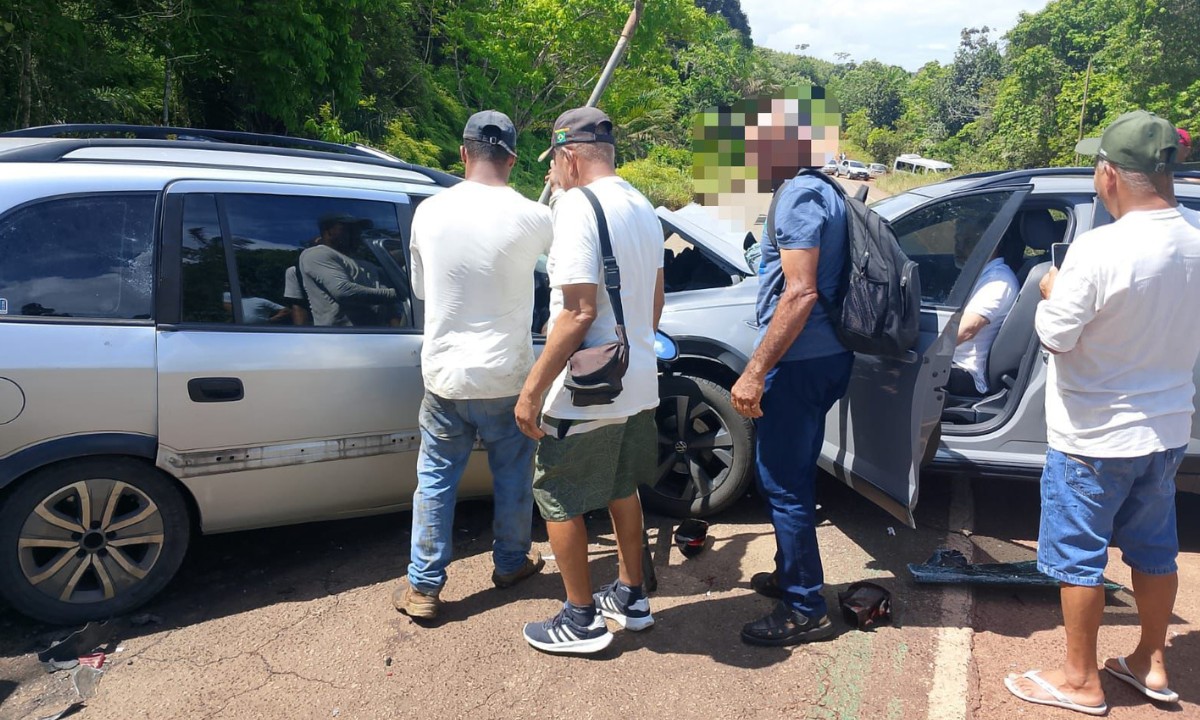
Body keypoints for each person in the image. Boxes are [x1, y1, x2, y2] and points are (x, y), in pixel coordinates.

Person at [1004, 110, 1200, 714]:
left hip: (1093, 437)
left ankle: (1080, 681)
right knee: (1155, 549)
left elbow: (1056, 337)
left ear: (1110, 174)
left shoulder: (1098, 248)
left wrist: (1049, 292)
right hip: (1167, 431)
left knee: (1078, 559)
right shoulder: (1196, 240)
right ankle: (1150, 662)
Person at [514, 107, 665, 654]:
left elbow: (578, 313)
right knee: (622, 487)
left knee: (557, 494)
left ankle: (581, 621)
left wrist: (532, 391)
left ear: (570, 156)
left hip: (589, 388)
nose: (552, 173)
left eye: (554, 162)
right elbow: (655, 303)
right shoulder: (643, 206)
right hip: (638, 380)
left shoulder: (577, 206)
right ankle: (631, 597)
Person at [393, 111, 553, 620]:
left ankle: (423, 587)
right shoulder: (536, 216)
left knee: (436, 480)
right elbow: (563, 275)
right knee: (513, 477)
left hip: (445, 378)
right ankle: (511, 563)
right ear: (513, 158)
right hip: (508, 378)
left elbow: (421, 289)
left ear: (463, 153)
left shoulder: (428, 212)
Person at [731, 164, 851, 646]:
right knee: (788, 475)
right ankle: (789, 575)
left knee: (783, 484)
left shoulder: (798, 195)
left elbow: (800, 291)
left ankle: (804, 607)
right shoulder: (823, 189)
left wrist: (756, 371)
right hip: (826, 356)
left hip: (798, 362)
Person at [947, 218, 1019, 396]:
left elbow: (967, 329)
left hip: (966, 372)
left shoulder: (998, 281)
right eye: (957, 240)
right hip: (950, 363)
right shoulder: (979, 275)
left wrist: (925, 350)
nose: (959, 247)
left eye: (968, 241)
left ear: (992, 243)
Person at [297, 214, 396, 326]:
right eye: (348, 229)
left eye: (358, 230)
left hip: (375, 332)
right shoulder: (318, 254)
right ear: (328, 231)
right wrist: (395, 295)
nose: (356, 234)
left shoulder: (363, 264)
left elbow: (391, 276)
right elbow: (344, 291)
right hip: (340, 334)